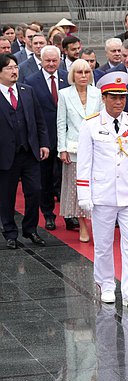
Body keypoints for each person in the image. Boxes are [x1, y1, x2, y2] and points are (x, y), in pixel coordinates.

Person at [76, 71, 128, 309]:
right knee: (104, 245)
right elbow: (84, 163)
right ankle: (107, 286)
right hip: (103, 194)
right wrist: (84, 195)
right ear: (104, 98)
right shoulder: (90, 125)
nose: (119, 102)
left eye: (122, 97)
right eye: (113, 97)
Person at [0, 53, 50, 249]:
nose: (14, 71)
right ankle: (10, 232)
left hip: (29, 152)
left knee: (35, 191)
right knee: (7, 196)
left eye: (16, 67)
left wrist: (44, 143)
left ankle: (30, 229)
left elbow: (39, 120)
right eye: (9, 68)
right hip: (5, 155)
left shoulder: (26, 91)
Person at [24, 45, 72, 231]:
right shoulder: (31, 81)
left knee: (65, 179)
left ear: (60, 59)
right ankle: (48, 214)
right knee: (45, 179)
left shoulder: (67, 77)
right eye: (48, 61)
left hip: (65, 137)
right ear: (41, 61)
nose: (51, 64)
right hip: (44, 138)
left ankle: (69, 215)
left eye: (54, 60)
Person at [57, 59, 102, 242]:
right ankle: (83, 225)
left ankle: (97, 223)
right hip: (73, 148)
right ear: (72, 75)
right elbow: (61, 123)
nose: (83, 75)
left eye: (86, 72)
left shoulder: (98, 94)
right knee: (77, 189)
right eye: (79, 72)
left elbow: (101, 121)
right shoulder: (64, 94)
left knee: (97, 187)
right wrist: (62, 149)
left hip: (96, 148)